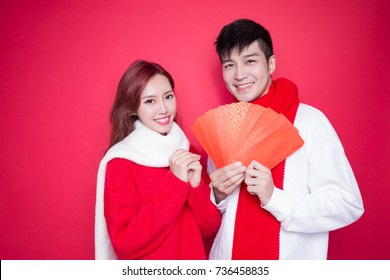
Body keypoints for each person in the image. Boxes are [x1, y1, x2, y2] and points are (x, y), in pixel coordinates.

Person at [207, 18, 364, 260]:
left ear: (271, 64)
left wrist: (275, 198)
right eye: (229, 65)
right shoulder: (223, 126)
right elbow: (226, 212)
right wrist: (218, 194)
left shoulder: (310, 121)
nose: (239, 74)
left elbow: (347, 204)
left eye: (250, 61)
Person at [95, 60, 221, 259]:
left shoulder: (187, 151)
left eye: (168, 97)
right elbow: (125, 245)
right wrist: (175, 182)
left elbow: (210, 228)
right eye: (150, 101)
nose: (163, 109)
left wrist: (196, 187)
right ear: (133, 107)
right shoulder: (121, 162)